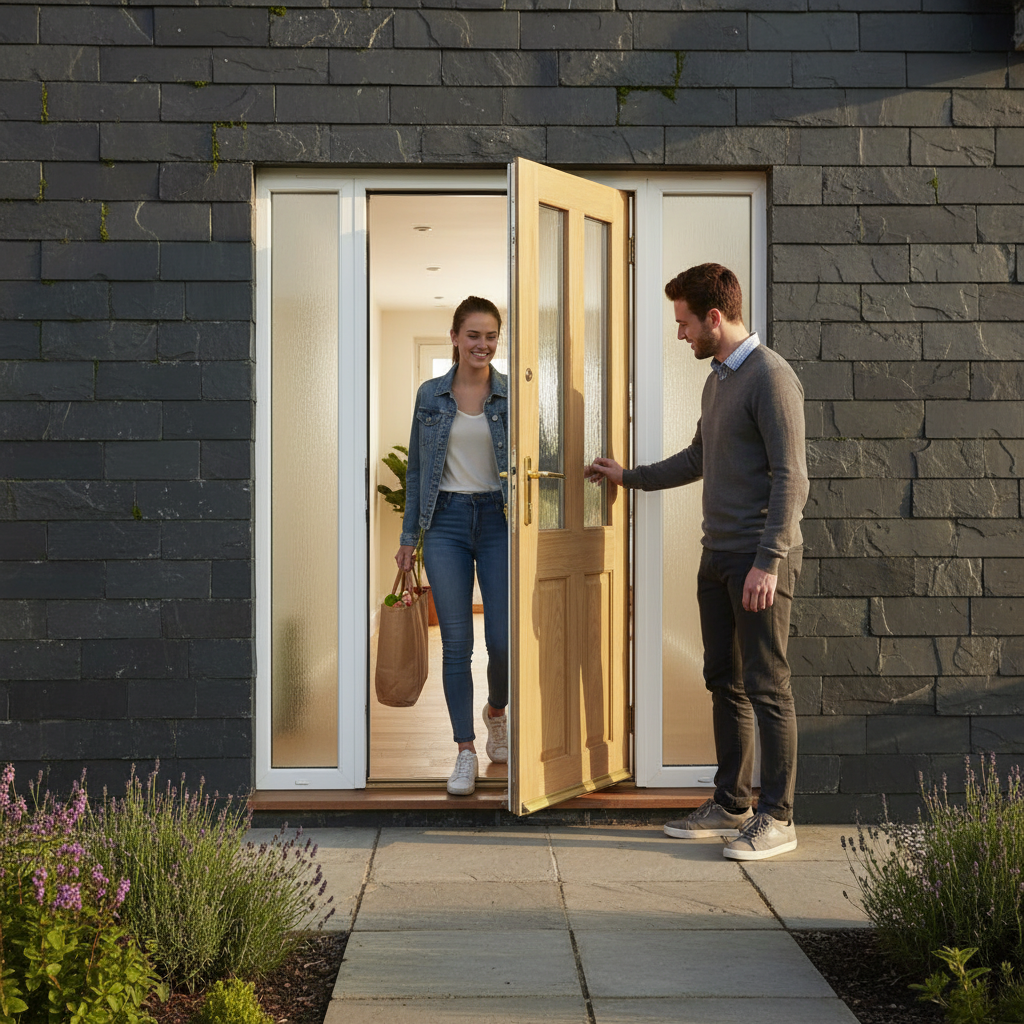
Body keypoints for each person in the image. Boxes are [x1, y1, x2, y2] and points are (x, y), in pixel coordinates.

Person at [585, 263, 808, 861]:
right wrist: (626, 476)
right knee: (724, 681)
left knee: (767, 685)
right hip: (719, 556)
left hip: (759, 560)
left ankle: (778, 817)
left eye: (684, 322)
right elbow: (696, 457)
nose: (679, 333)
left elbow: (793, 478)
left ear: (715, 317)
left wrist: (769, 561)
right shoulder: (717, 380)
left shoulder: (770, 377)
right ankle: (732, 803)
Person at [397, 296, 509, 797]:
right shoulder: (430, 395)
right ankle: (464, 750)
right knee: (457, 644)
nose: (482, 345)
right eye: (473, 335)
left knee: (502, 640)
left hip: (498, 521)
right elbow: (418, 471)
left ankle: (496, 714)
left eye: (490, 336)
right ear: (455, 337)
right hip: (443, 522)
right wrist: (407, 540)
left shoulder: (510, 395)